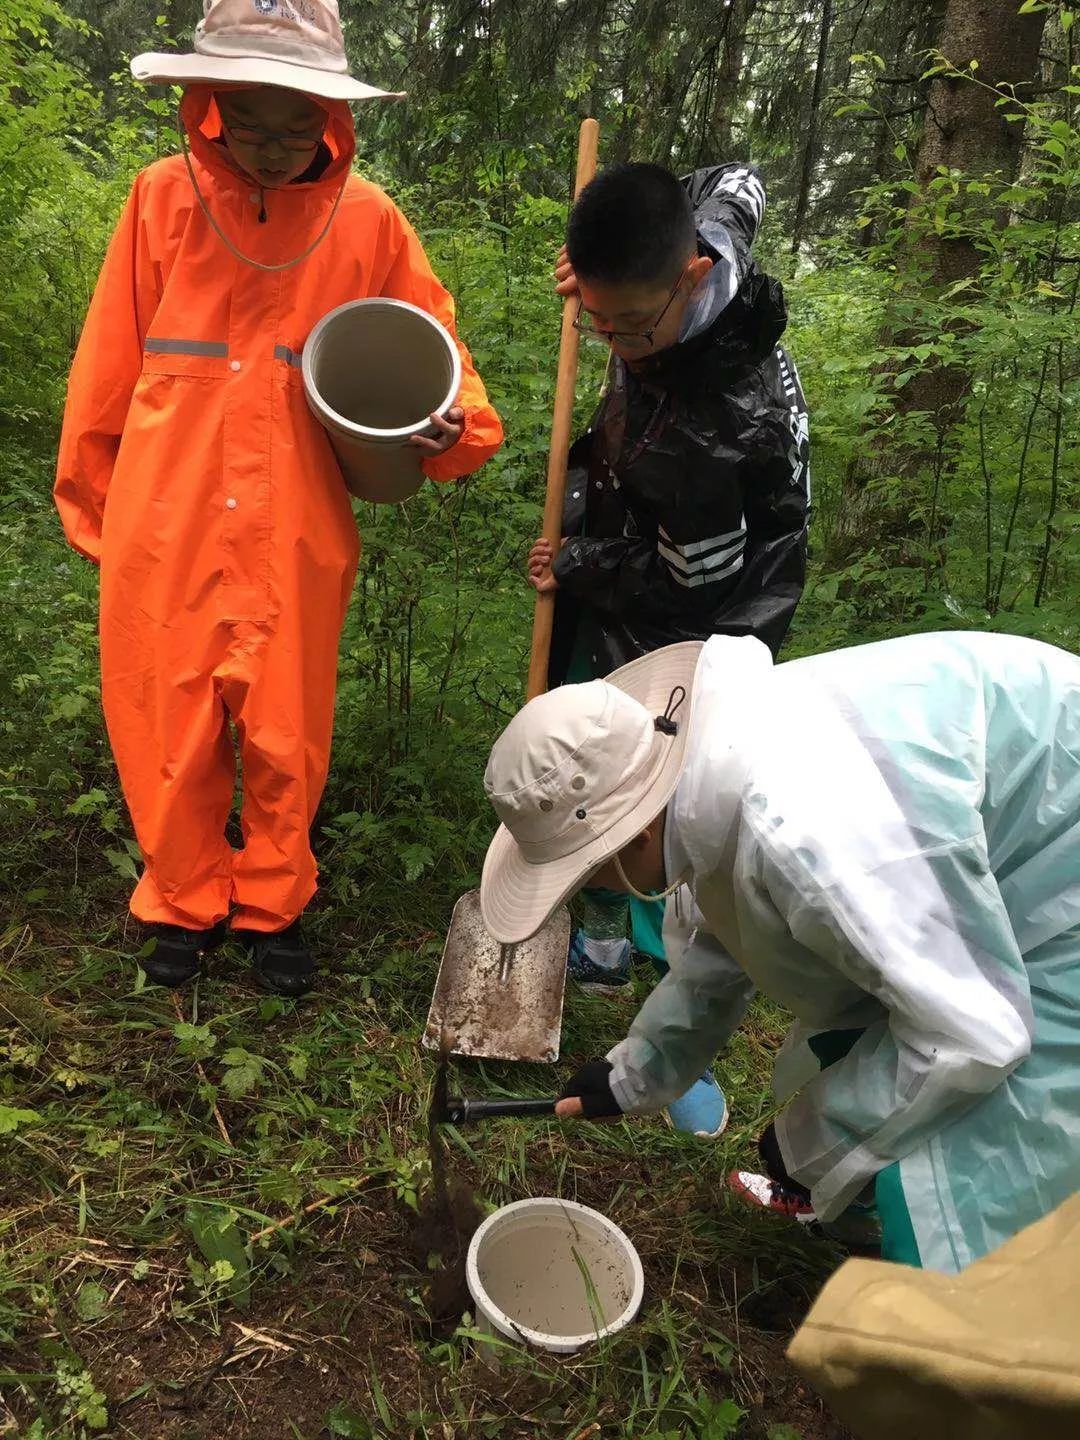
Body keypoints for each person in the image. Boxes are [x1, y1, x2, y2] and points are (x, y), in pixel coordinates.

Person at [54, 0, 503, 997]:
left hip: (296, 515)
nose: (271, 143)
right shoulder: (159, 201)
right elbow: (110, 358)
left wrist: (449, 429)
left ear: (330, 122)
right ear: (209, 106)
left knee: (285, 722)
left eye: (295, 122)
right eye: (250, 118)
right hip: (166, 510)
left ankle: (272, 901)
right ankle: (181, 897)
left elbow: (433, 347)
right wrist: (95, 496)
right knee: (165, 710)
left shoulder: (370, 220)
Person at [478, 629, 1080, 1273]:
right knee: (874, 993)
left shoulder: (811, 837)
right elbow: (724, 942)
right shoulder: (711, 776)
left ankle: (948, 1333)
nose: (587, 887)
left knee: (977, 1175)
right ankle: (860, 1203)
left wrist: (809, 1143)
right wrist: (633, 1076)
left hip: (1058, 872)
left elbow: (972, 1034)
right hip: (984, 845)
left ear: (637, 831)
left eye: (584, 870)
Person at [526, 160, 810, 1138]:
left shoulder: (710, 426)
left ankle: (671, 987)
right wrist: (601, 285)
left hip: (715, 607)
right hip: (640, 533)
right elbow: (737, 176)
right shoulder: (704, 235)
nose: (611, 343)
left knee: (669, 794)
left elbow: (684, 577)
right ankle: (600, 935)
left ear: (691, 281)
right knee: (588, 742)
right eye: (595, 323)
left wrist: (577, 557)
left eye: (628, 328)